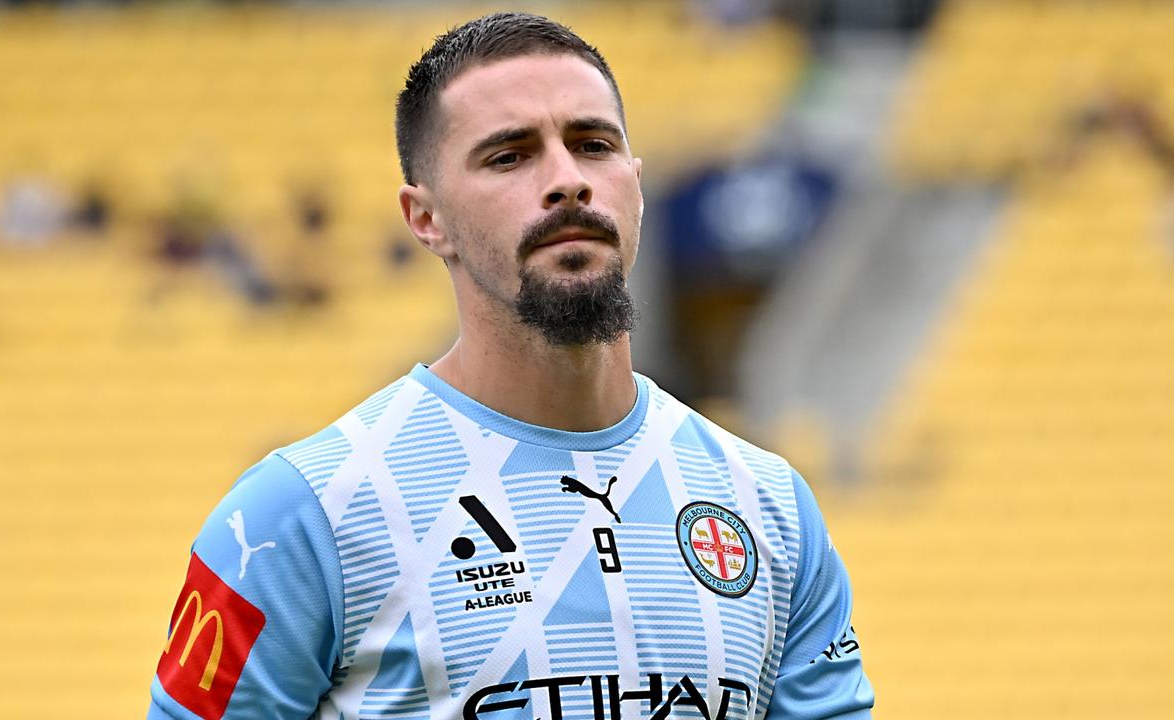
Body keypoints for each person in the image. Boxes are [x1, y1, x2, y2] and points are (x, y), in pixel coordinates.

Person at [147, 12, 873, 720]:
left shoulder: (772, 507)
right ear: (425, 218)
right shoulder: (298, 514)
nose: (567, 180)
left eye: (593, 145)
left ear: (637, 184)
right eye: (509, 155)